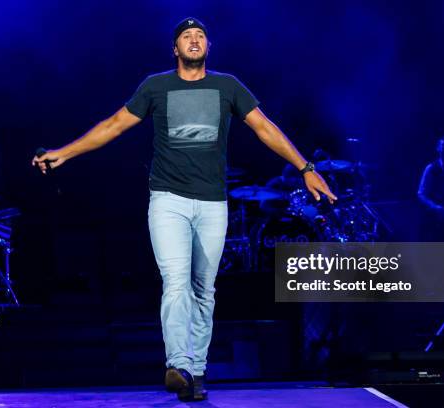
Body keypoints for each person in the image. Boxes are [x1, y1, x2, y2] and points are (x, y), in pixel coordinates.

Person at [32, 17, 336, 401]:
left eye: (200, 36)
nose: (194, 40)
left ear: (208, 47)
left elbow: (265, 128)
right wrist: (64, 153)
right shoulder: (156, 86)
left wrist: (305, 168)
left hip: (213, 203)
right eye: (186, 37)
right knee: (176, 281)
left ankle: (197, 371)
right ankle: (178, 365)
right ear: (175, 49)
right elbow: (113, 126)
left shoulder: (228, 86)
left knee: (204, 289)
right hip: (168, 200)